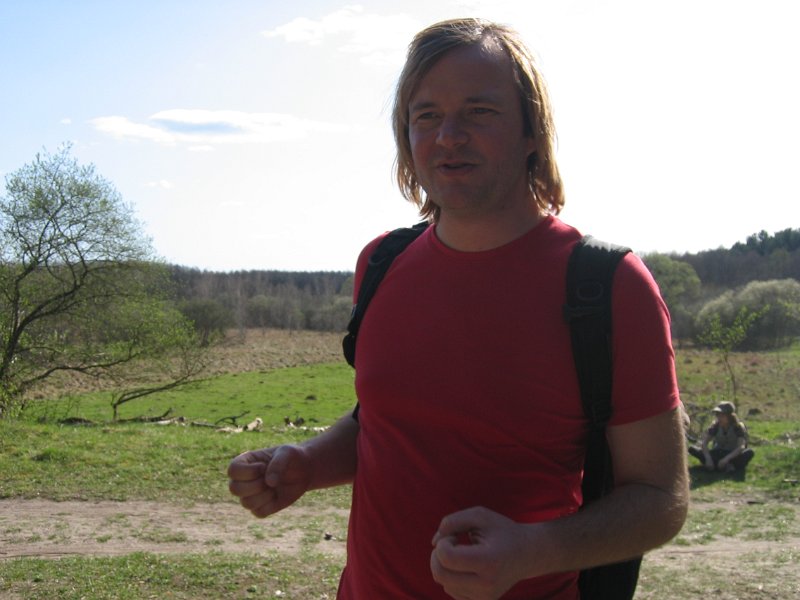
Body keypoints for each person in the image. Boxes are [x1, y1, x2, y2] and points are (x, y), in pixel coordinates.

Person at [228, 17, 689, 599]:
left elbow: (660, 498)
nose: (449, 136)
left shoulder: (608, 285)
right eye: (426, 116)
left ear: (532, 131)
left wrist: (533, 551)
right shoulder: (381, 263)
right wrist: (308, 462)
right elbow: (384, 421)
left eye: (479, 111)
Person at [689, 401, 754, 473]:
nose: (719, 418)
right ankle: (722, 466)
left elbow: (741, 447)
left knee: (749, 452)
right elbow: (704, 443)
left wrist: (726, 459)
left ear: (730, 416)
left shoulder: (738, 427)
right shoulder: (715, 426)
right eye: (718, 415)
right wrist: (708, 459)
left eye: (722, 416)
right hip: (718, 452)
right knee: (692, 449)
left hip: (732, 455)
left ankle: (727, 465)